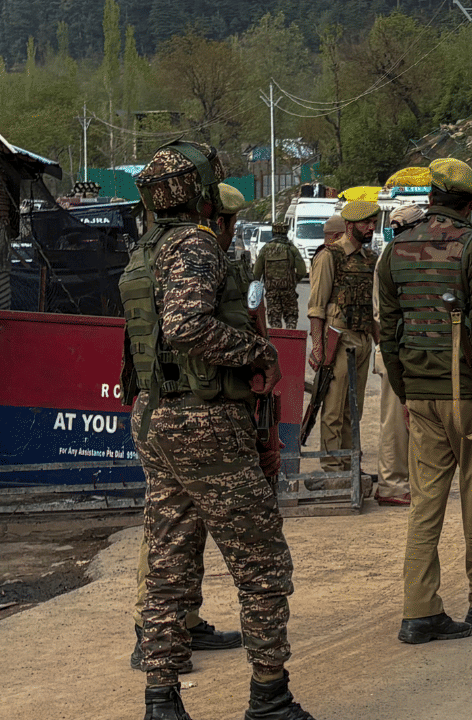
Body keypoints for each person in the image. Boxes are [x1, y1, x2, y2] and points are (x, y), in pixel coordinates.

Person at [121, 141, 314, 720]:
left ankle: (161, 700)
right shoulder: (196, 244)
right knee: (262, 564)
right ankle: (269, 697)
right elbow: (185, 326)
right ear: (201, 192)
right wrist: (258, 351)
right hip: (204, 421)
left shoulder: (144, 251)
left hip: (157, 418)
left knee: (169, 563)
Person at [377, 158, 472, 644]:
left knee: (425, 503)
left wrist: (404, 391)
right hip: (468, 397)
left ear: (432, 199)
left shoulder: (395, 249)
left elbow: (388, 333)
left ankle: (420, 611)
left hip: (419, 394)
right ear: (469, 205)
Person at [127, 183, 251, 676]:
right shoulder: (183, 259)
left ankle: (184, 620)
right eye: (229, 224)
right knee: (166, 527)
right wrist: (258, 353)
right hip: (180, 408)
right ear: (216, 219)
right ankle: (151, 628)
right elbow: (183, 330)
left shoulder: (160, 255)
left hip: (170, 407)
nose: (230, 233)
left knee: (182, 523)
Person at [306, 201, 378, 493]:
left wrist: (380, 342)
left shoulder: (370, 259)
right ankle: (333, 469)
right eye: (365, 223)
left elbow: (373, 306)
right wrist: (318, 347)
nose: (371, 228)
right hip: (338, 339)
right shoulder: (330, 256)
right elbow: (316, 307)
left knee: (354, 409)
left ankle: (350, 464)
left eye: (373, 223)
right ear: (349, 226)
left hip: (362, 339)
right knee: (333, 409)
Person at [371, 203, 426, 507]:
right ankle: (391, 485)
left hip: (402, 348)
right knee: (394, 422)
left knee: (407, 420)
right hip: (396, 349)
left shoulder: (396, 254)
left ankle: (402, 480)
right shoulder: (395, 257)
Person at [253, 222, 307, 329]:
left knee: (274, 323)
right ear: (286, 232)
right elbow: (302, 271)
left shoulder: (265, 249)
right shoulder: (292, 249)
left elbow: (256, 274)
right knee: (291, 319)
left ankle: (276, 339)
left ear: (273, 232)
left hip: (272, 292)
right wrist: (293, 281)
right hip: (288, 292)